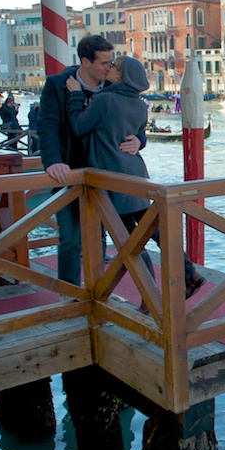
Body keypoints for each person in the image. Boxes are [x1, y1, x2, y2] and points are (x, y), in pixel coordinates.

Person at [67, 56, 205, 305]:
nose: (109, 68)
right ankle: (189, 275)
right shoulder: (140, 104)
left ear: (120, 76)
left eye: (114, 67)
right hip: (136, 175)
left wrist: (76, 96)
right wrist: (140, 141)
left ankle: (148, 297)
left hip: (113, 179)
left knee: (130, 241)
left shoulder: (104, 100)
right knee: (155, 233)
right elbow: (136, 132)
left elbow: (78, 126)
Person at [38, 35, 144, 285]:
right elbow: (48, 126)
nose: (109, 67)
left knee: (103, 238)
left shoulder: (113, 87)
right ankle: (70, 294)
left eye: (111, 62)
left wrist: (139, 140)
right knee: (71, 240)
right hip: (69, 173)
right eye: (104, 63)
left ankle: (99, 295)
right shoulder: (56, 85)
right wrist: (53, 161)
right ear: (85, 61)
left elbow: (135, 120)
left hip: (106, 174)